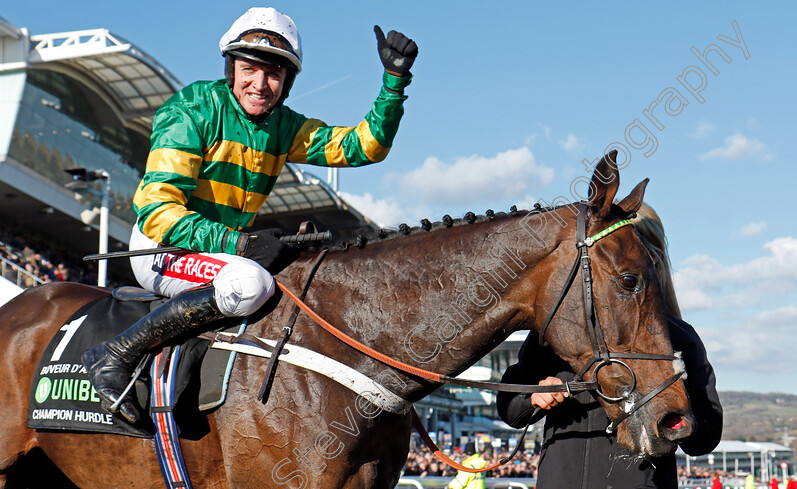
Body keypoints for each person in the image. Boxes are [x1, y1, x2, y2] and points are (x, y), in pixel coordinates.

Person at [82, 7, 418, 425]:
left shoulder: (284, 126)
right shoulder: (191, 109)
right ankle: (115, 354)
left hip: (213, 254)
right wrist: (240, 243)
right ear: (231, 67)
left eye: (274, 74)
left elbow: (360, 147)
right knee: (249, 283)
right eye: (250, 69)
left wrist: (394, 84)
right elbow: (158, 212)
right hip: (161, 248)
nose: (260, 84)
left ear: (288, 82)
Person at [497, 203, 723, 489]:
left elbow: (707, 436)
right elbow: (509, 408)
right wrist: (534, 397)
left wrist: (676, 413)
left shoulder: (681, 337)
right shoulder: (559, 328)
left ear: (654, 258)